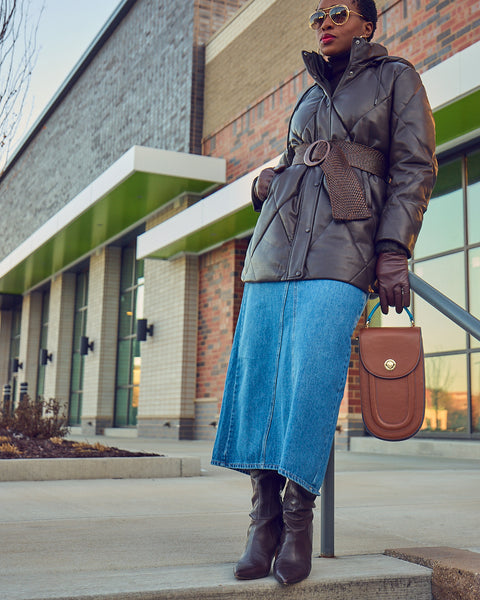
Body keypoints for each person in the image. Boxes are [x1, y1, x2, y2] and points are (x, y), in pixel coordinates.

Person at [211, 0, 437, 586]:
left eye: (338, 11)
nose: (324, 22)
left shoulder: (397, 78)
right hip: (273, 251)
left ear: (368, 22)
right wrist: (266, 182)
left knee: (310, 379)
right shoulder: (308, 95)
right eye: (317, 15)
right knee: (259, 376)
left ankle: (297, 519)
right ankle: (262, 523)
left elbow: (414, 168)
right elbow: (293, 160)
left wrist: (393, 250)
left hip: (345, 250)